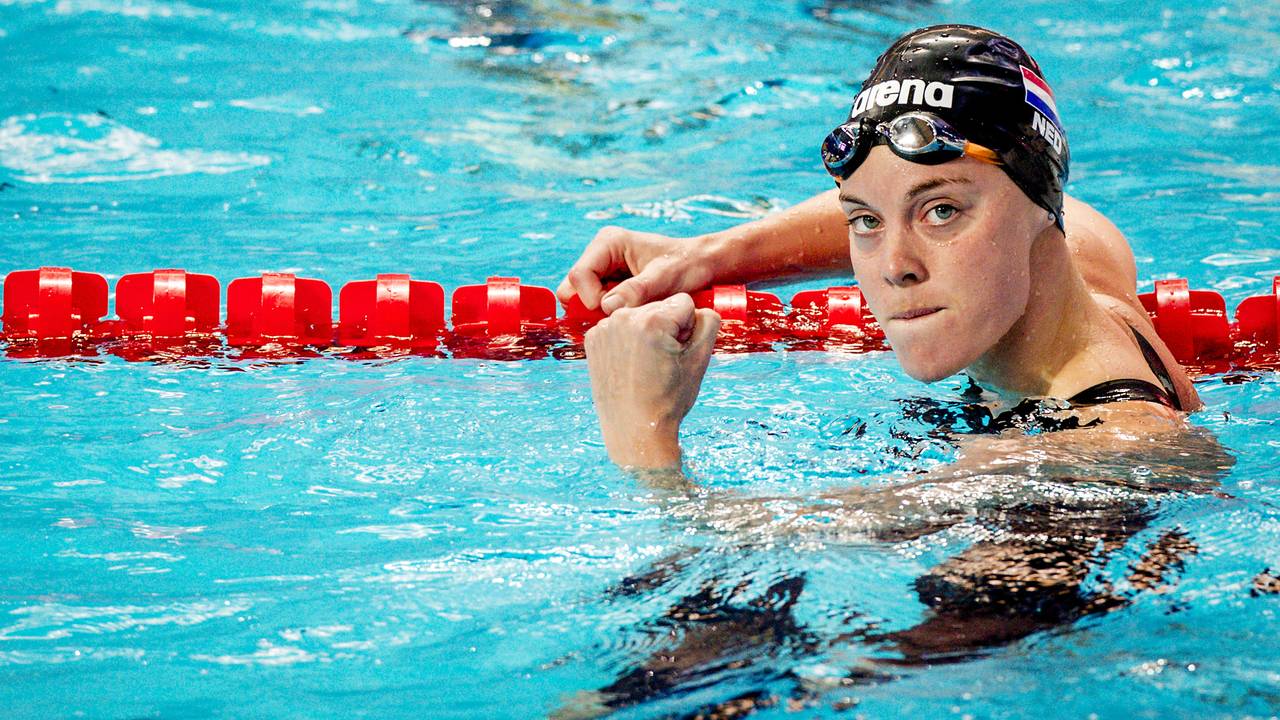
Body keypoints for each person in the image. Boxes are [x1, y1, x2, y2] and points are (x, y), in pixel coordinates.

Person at [560, 24, 1202, 472]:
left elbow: (745, 549)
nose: (895, 266)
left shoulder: (1100, 458)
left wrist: (640, 432)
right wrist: (705, 254)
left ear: (1038, 205)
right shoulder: (1088, 265)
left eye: (942, 211)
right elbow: (1071, 209)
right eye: (866, 220)